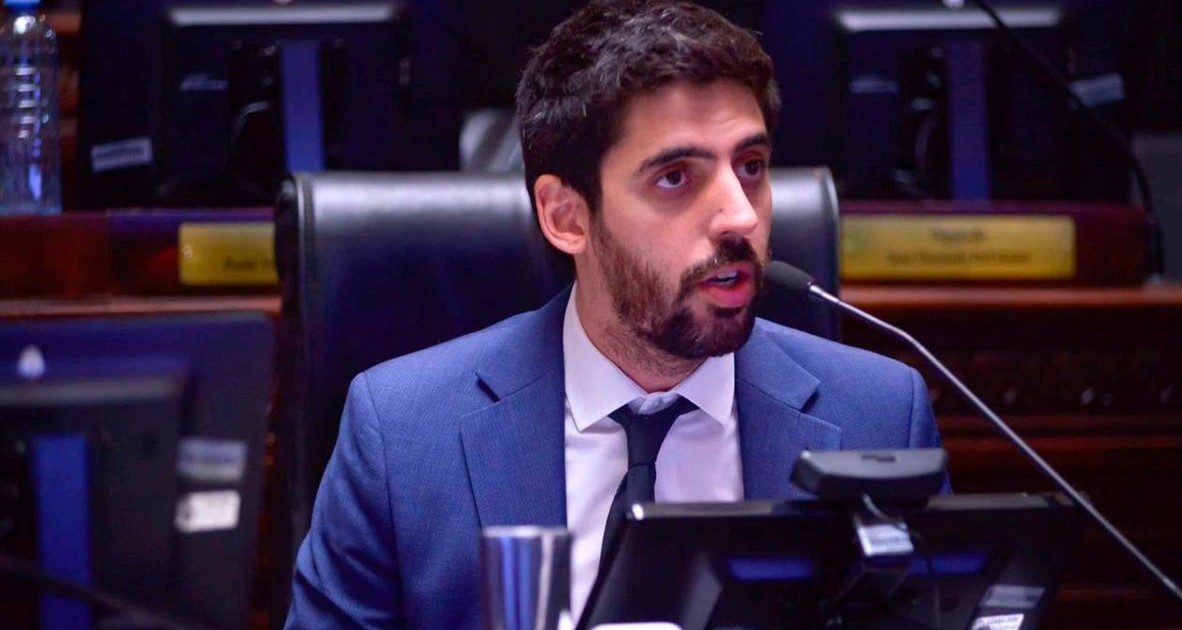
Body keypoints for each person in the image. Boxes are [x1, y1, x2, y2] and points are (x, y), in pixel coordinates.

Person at [286, 1, 944, 628]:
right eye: (675, 178)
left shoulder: (880, 416)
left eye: (751, 167)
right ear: (566, 217)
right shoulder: (405, 433)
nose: (741, 217)